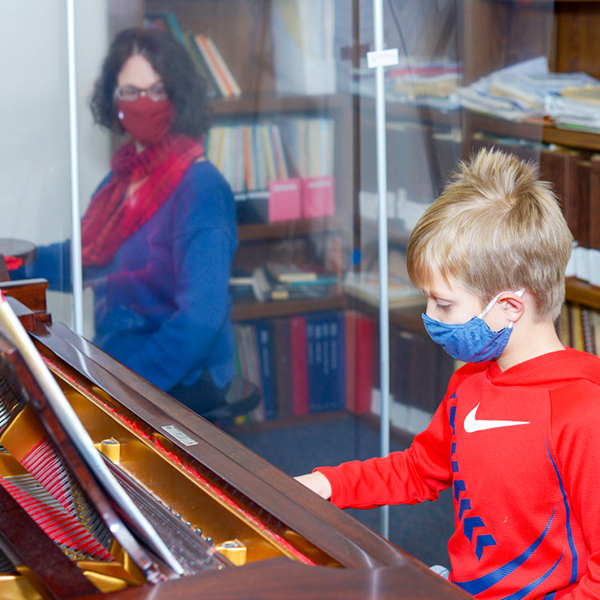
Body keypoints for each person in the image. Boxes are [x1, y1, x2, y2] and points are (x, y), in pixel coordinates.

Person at [296, 148, 600, 600]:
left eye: (443, 304)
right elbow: (421, 470)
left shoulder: (582, 413)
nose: (429, 317)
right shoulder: (470, 382)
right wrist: (327, 483)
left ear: (510, 307)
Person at [18, 28, 244, 421]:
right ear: (113, 101)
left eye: (157, 91)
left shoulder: (202, 188)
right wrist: (13, 264)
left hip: (182, 377)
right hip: (119, 355)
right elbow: (84, 258)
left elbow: (198, 322)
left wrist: (120, 390)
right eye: (130, 91)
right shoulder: (122, 180)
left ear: (179, 96)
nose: (144, 104)